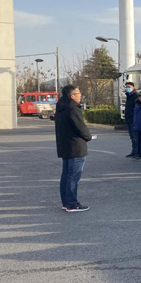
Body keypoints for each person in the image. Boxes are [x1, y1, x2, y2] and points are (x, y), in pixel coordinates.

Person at [55, 84, 92, 212]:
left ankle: (66, 202)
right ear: (72, 96)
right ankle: (71, 203)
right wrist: (88, 137)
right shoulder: (73, 108)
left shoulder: (61, 107)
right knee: (73, 176)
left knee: (66, 176)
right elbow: (80, 127)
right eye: (78, 93)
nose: (80, 95)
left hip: (65, 146)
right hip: (76, 146)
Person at [123, 81, 138, 157]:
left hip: (133, 119)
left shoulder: (136, 96)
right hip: (128, 119)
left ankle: (137, 151)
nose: (127, 88)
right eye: (126, 87)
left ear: (133, 87)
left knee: (135, 137)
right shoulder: (128, 96)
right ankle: (134, 151)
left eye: (129, 87)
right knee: (132, 137)